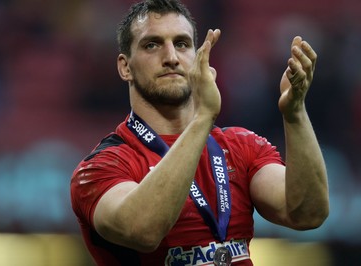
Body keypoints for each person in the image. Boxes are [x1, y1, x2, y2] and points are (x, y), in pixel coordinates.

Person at [70, 0, 329, 265]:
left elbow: (307, 214)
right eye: (152, 45)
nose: (171, 57)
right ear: (125, 67)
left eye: (182, 44)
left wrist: (295, 114)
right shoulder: (102, 167)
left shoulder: (241, 146)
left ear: (196, 57)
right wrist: (203, 117)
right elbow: (143, 231)